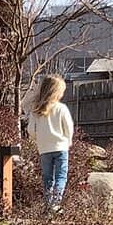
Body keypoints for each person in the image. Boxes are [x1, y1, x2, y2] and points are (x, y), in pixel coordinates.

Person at [26, 74, 73, 211]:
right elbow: (68, 127)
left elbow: (30, 129)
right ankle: (56, 203)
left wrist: (37, 139)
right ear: (57, 92)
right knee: (61, 176)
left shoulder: (36, 109)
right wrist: (68, 140)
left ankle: (48, 204)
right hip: (60, 147)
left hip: (44, 149)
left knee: (47, 177)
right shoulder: (61, 108)